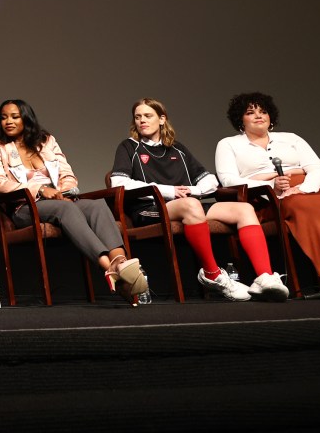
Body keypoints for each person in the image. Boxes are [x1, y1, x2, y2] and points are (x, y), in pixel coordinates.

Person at [112, 98, 287, 301]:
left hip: (188, 205)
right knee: (191, 205)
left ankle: (265, 277)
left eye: (148, 116)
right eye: (138, 117)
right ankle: (212, 274)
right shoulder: (129, 147)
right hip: (150, 209)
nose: (142, 120)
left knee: (245, 209)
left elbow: (210, 180)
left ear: (161, 119)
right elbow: (119, 183)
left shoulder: (177, 148)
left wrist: (193, 190)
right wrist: (170, 191)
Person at [0, 99, 146, 304]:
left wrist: (61, 190)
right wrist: (41, 190)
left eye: (15, 117)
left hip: (60, 199)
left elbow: (67, 173)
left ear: (26, 118)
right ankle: (109, 268)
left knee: (96, 206)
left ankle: (120, 261)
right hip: (25, 206)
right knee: (66, 209)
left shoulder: (46, 141)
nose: (8, 121)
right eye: (4, 117)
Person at [215, 91, 320, 281]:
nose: (259, 116)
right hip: (266, 199)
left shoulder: (291, 138)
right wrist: (270, 184)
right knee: (300, 205)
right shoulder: (228, 144)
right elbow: (229, 180)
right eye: (250, 112)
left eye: (263, 111)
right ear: (240, 119)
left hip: (307, 190)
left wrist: (302, 188)